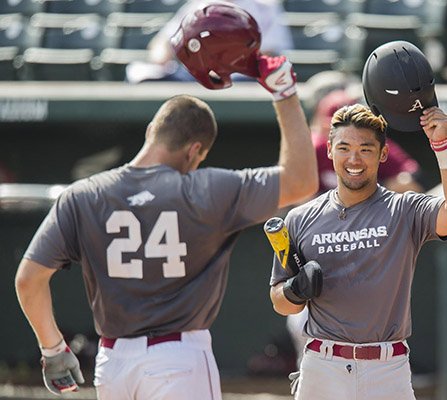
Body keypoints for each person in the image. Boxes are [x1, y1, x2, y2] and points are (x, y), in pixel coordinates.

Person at [14, 53, 317, 399]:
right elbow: (300, 181)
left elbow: (28, 280)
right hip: (178, 357)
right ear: (195, 151)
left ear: (151, 132)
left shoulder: (83, 195)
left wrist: (53, 349)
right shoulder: (206, 188)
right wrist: (284, 92)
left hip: (112, 363)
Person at [269, 103, 447, 399]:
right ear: (329, 151)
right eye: (344, 147)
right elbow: (281, 303)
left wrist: (441, 145)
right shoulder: (300, 218)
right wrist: (294, 290)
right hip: (322, 364)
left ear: (382, 154)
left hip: (387, 366)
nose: (354, 158)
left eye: (365, 149)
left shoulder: (404, 209)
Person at [286, 85, 424, 366]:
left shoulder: (369, 147)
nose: (353, 155)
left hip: (363, 250)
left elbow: (410, 181)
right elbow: (288, 195)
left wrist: (368, 202)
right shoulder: (312, 148)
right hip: (317, 250)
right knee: (304, 328)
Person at [126, 0, 293, 83]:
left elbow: (270, 52)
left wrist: (223, 68)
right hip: (193, 78)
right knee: (140, 76)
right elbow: (163, 42)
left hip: (240, 80)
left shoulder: (265, 6)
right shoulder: (200, 5)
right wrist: (161, 60)